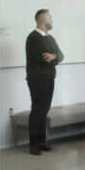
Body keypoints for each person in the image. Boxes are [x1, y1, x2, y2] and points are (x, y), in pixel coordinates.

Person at [24, 9, 62, 156]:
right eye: (50, 18)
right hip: (37, 79)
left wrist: (54, 56)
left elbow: (61, 55)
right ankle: (33, 144)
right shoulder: (33, 38)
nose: (52, 20)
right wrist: (53, 57)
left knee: (44, 110)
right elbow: (43, 59)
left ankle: (42, 141)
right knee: (37, 110)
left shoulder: (50, 38)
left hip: (49, 78)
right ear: (42, 20)